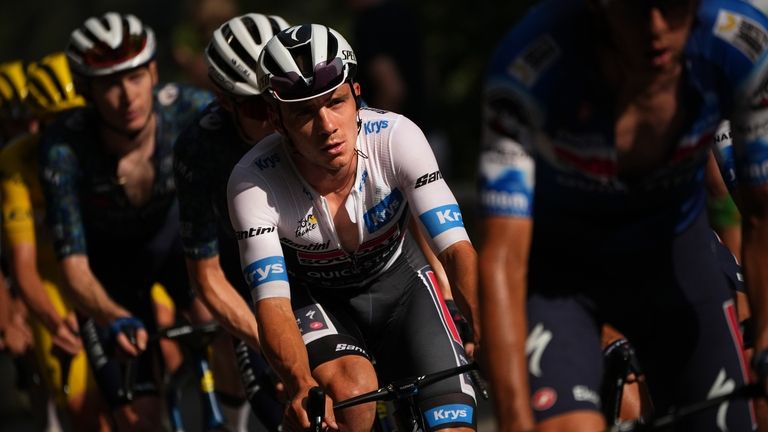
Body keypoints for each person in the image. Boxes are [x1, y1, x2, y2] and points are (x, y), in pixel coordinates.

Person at [477, 0, 768, 431]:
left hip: (677, 262)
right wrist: (514, 417)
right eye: (634, 9)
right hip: (563, 277)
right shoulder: (527, 70)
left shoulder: (742, 44)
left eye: (670, 6)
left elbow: (762, 213)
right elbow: (502, 257)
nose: (654, 26)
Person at [228, 23, 480, 431]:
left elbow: (456, 250)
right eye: (304, 112)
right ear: (276, 119)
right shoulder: (254, 182)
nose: (327, 125)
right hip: (321, 302)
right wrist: (299, 384)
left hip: (401, 286)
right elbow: (272, 302)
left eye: (336, 102)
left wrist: (484, 325)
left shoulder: (397, 138)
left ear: (357, 95)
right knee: (352, 397)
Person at [38, 12, 214, 430]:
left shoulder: (187, 108)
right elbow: (74, 268)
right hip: (109, 278)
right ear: (85, 91)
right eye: (110, 84)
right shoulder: (64, 147)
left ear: (153, 71)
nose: (127, 96)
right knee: (139, 420)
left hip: (176, 250)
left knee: (227, 334)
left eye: (135, 77)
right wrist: (110, 316)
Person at [174, 12, 291, 431]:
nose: (280, 116)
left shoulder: (331, 107)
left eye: (289, 95)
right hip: (247, 279)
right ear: (225, 101)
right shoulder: (199, 147)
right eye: (261, 106)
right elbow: (205, 276)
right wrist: (275, 345)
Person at [0, 51, 112, 431]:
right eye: (12, 121)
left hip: (103, 268)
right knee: (80, 406)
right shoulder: (15, 163)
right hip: (48, 279)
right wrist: (25, 315)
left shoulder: (104, 140)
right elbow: (21, 265)